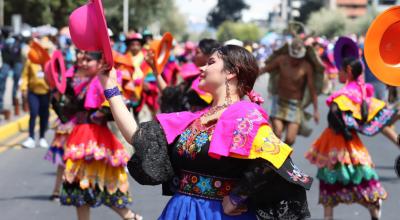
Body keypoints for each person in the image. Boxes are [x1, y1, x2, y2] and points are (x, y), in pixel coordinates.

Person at [99, 45, 313, 220]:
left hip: (219, 214)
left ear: (231, 72)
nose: (202, 68)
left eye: (210, 63)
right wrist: (111, 88)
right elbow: (137, 136)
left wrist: (237, 197)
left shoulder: (247, 116)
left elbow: (273, 160)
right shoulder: (193, 118)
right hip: (180, 211)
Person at [305, 57, 400, 220]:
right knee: (360, 179)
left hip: (334, 144)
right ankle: (373, 207)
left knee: (330, 182)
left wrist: (342, 123)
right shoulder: (362, 92)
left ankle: (339, 214)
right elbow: (377, 118)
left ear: (348, 70)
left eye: (340, 70)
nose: (338, 73)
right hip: (351, 144)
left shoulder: (344, 95)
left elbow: (336, 112)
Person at [59, 51, 142, 220]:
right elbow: (67, 112)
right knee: (80, 187)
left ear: (99, 63)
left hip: (95, 138)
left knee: (99, 184)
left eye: (88, 60)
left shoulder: (102, 82)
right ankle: (130, 217)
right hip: (80, 135)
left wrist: (100, 113)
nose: (83, 63)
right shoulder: (81, 82)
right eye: (82, 59)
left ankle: (130, 217)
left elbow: (117, 104)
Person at [44, 49, 85, 201]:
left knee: (81, 158)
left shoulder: (92, 76)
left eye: (85, 55)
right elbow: (57, 98)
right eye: (80, 54)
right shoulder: (68, 74)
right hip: (67, 122)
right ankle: (56, 189)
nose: (82, 57)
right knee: (62, 159)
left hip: (83, 124)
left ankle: (81, 188)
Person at [262, 38, 320, 145]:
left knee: (290, 139)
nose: (295, 61)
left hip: (295, 105)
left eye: (298, 58)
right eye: (293, 57)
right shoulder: (281, 60)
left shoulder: (307, 67)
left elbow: (312, 89)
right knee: (277, 133)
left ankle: (283, 158)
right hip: (279, 102)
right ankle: (273, 157)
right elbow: (264, 69)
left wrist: (316, 110)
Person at [155, 38, 220, 113]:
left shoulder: (213, 85)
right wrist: (155, 71)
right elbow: (169, 93)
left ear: (210, 56)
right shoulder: (193, 79)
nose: (194, 56)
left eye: (197, 52)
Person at [20, 40, 51, 149]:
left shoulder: (49, 63)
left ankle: (42, 137)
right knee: (33, 113)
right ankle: (31, 138)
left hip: (46, 93)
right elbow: (24, 76)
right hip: (33, 92)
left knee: (44, 115)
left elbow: (55, 78)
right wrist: (23, 89)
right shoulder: (30, 62)